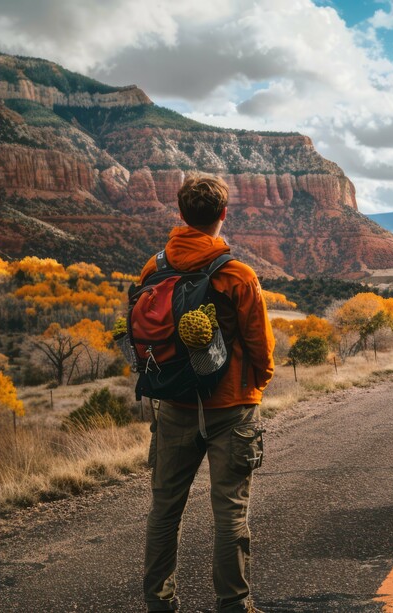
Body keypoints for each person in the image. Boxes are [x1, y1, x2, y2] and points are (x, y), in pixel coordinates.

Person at [141, 175, 276, 613]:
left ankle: (159, 603)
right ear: (222, 214)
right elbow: (261, 346)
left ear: (180, 215)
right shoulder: (237, 274)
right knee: (230, 513)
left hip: (173, 406)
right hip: (232, 408)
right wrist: (255, 384)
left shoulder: (153, 268)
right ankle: (234, 605)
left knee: (164, 511)